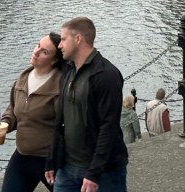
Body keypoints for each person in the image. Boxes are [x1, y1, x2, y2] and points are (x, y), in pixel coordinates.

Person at [45, 17, 128, 192]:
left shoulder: (106, 75)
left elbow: (109, 127)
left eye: (63, 39)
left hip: (103, 172)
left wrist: (93, 173)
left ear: (78, 39)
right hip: (67, 167)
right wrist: (52, 160)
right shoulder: (68, 69)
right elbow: (61, 119)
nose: (60, 45)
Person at [0, 33, 64, 192]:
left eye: (44, 52)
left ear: (54, 60)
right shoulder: (23, 78)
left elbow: (66, 126)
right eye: (38, 45)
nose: (36, 52)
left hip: (51, 161)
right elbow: (13, 109)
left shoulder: (60, 86)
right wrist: (5, 124)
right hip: (22, 156)